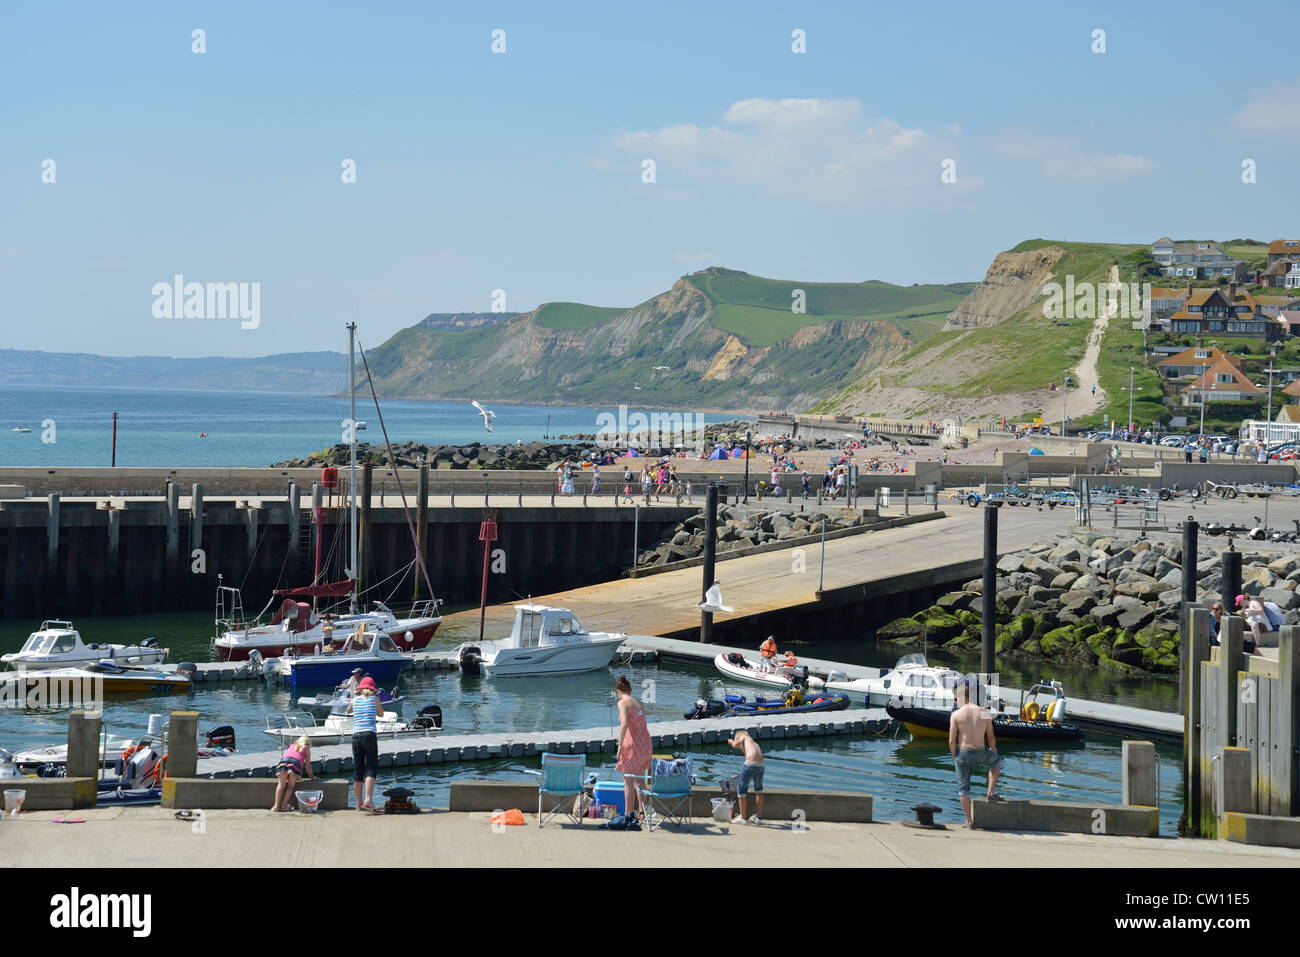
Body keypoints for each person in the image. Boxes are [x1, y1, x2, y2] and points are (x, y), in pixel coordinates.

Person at [949, 676, 1002, 828]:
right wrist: (993, 749)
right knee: (996, 762)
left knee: (963, 789)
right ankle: (990, 793)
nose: (954, 702)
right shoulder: (984, 712)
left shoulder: (956, 715)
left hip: (963, 753)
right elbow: (991, 738)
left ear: (960, 697)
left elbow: (952, 740)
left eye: (955, 699)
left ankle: (969, 821)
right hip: (980, 751)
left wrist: (955, 756)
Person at [614, 674, 652, 822]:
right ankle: (642, 813)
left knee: (628, 781)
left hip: (632, 744)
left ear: (619, 691)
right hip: (645, 743)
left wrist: (619, 745)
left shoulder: (623, 703)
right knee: (641, 780)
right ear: (630, 690)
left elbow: (624, 724)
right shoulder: (638, 703)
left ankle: (628, 815)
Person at [347, 676, 385, 811]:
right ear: (372, 689)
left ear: (361, 688)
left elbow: (348, 711)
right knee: (371, 767)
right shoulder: (375, 699)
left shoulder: (354, 700)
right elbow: (381, 714)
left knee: (358, 769)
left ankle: (358, 804)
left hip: (356, 736)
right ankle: (368, 799)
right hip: (369, 734)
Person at [727, 730, 764, 825]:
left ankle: (742, 817)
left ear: (739, 737)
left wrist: (731, 741)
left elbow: (735, 745)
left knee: (741, 790)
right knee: (759, 791)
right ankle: (758, 817)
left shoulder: (743, 737)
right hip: (761, 766)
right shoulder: (754, 743)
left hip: (750, 764)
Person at [272, 735, 313, 812]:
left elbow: (290, 758)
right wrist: (312, 777)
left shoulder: (292, 746)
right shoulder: (307, 749)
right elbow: (308, 766)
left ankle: (276, 806)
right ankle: (283, 806)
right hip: (294, 766)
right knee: (290, 786)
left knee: (281, 784)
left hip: (282, 764)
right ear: (308, 744)